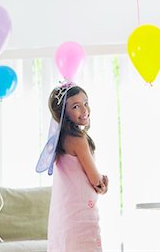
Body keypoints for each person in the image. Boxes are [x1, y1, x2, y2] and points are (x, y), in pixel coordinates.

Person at [47, 84, 108, 252]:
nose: (84, 109)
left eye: (85, 103)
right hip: (80, 216)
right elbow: (95, 179)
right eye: (75, 106)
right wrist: (103, 183)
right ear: (63, 113)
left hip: (64, 218)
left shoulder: (60, 139)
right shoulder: (78, 139)